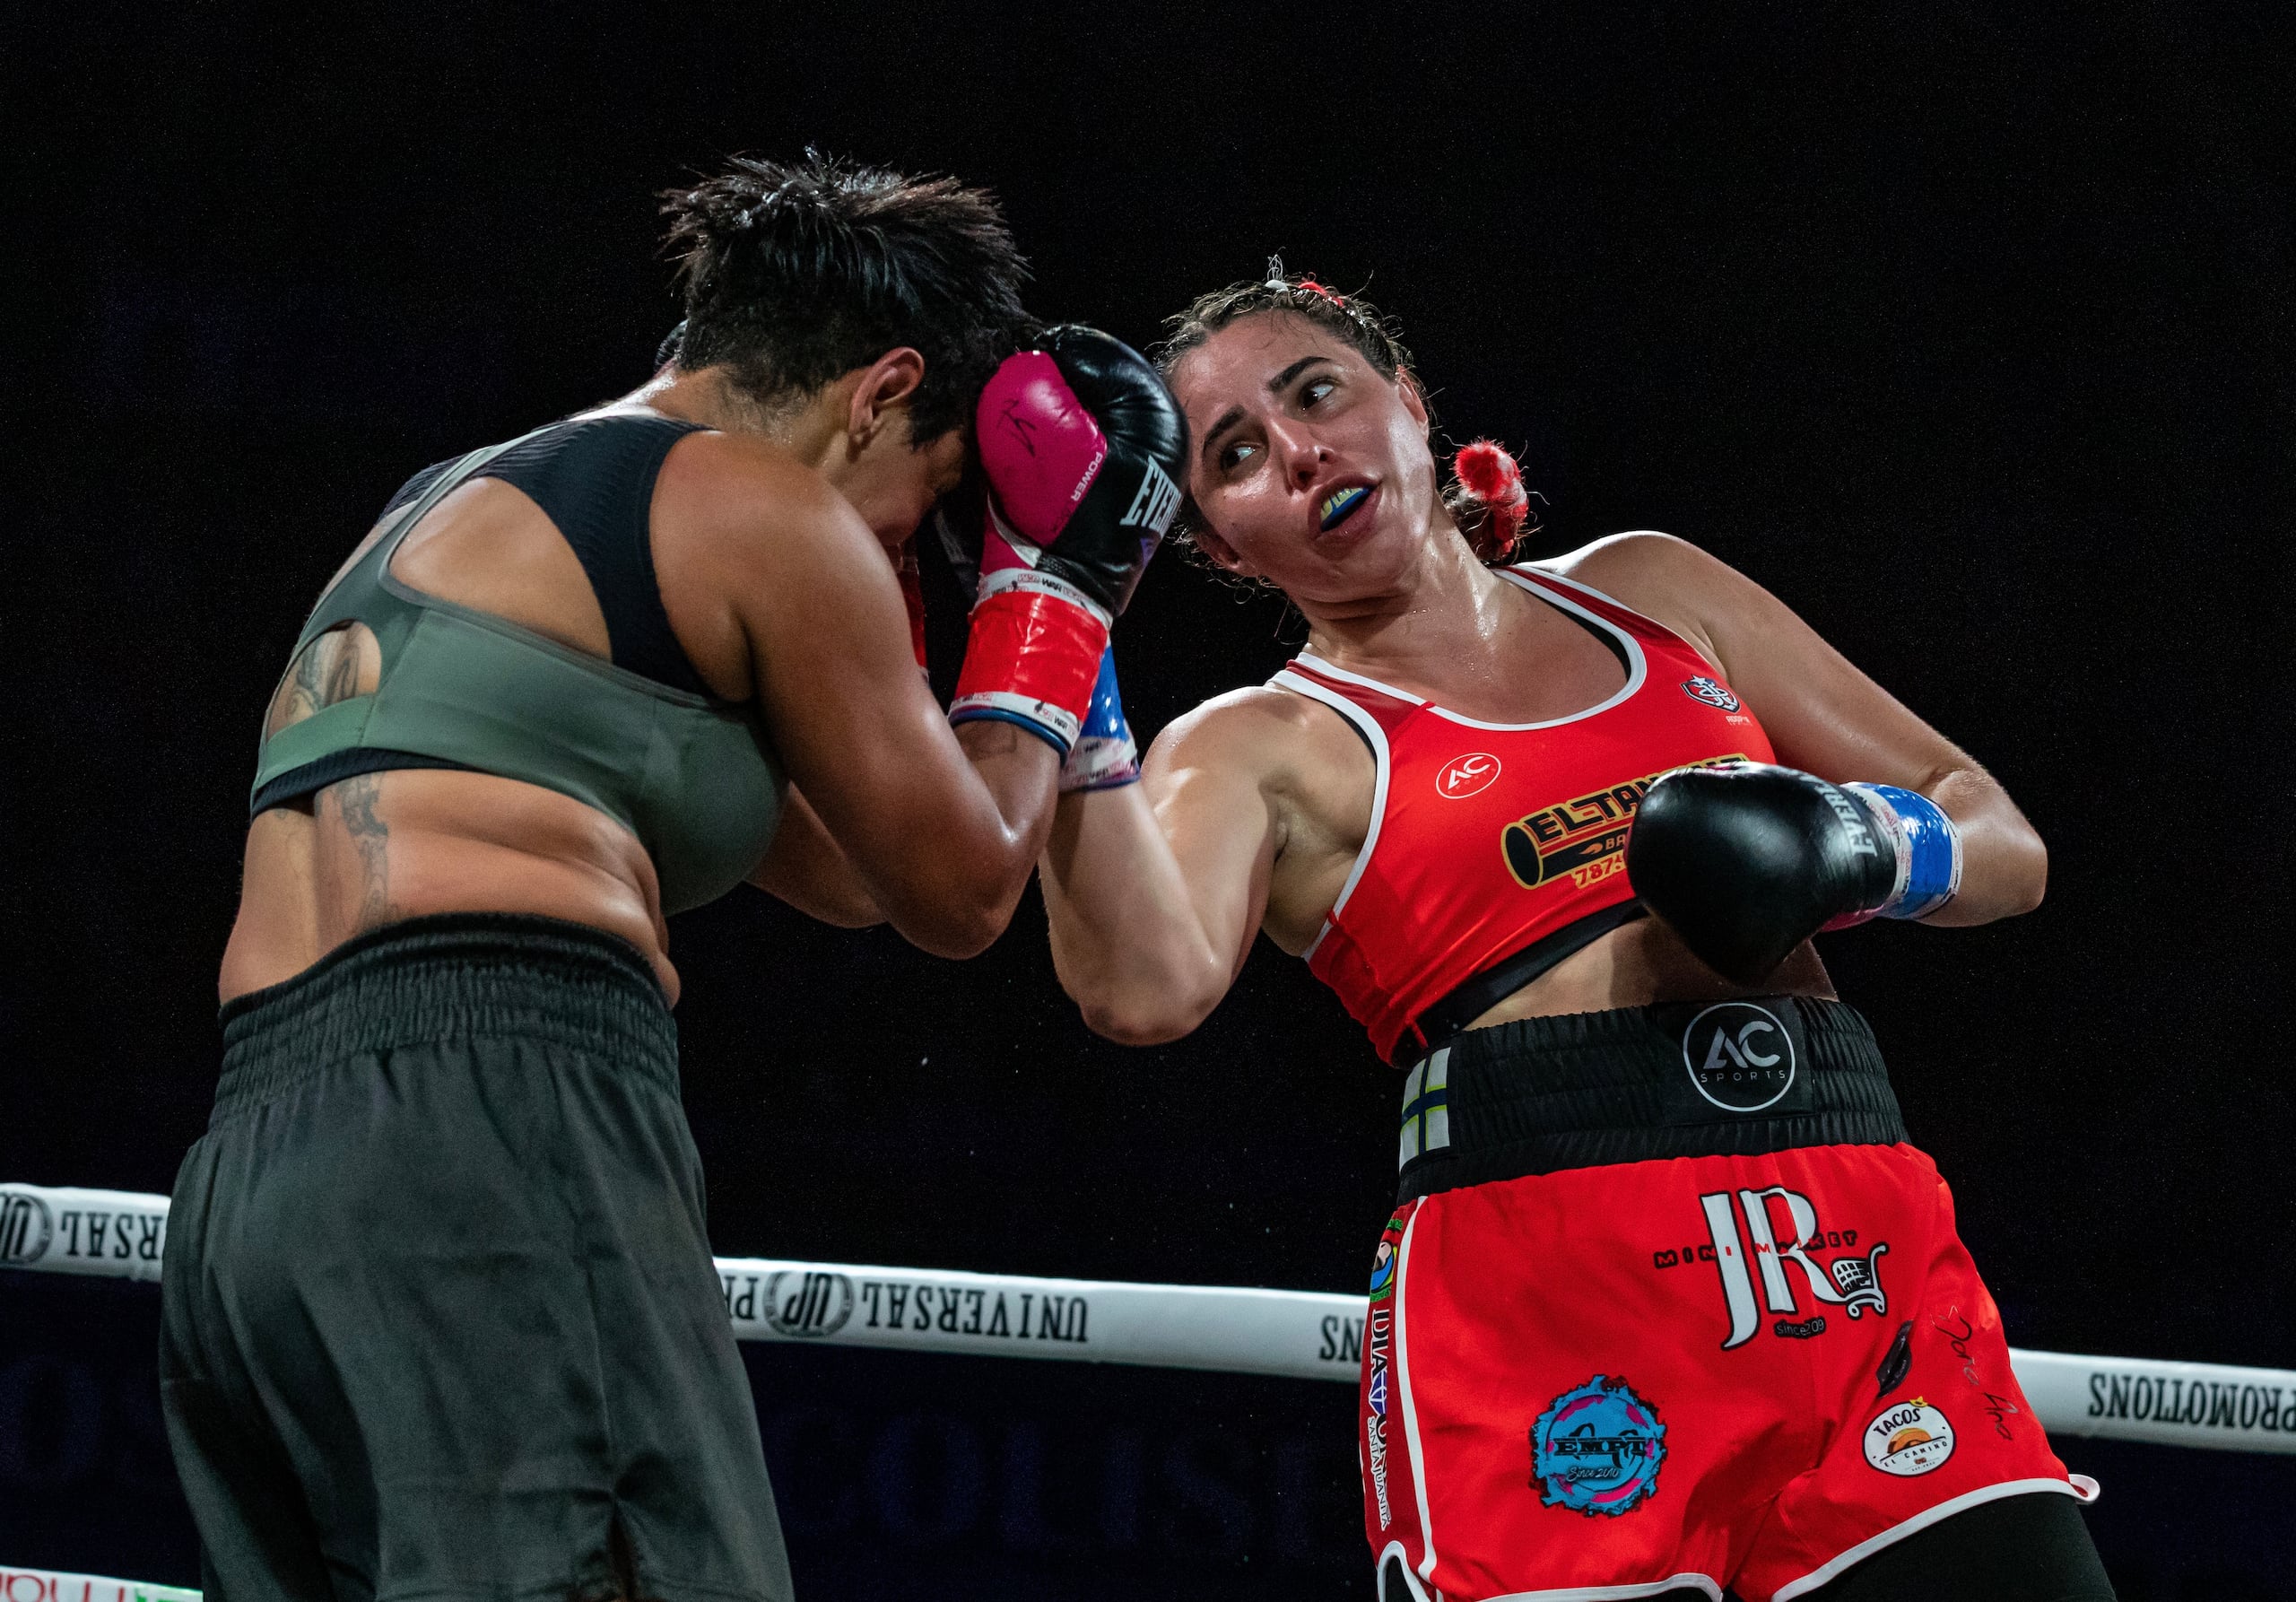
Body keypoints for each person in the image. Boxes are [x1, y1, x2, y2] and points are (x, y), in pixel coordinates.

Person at [160, 152, 1184, 1602]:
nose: (906, 543)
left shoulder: (463, 499)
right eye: (930, 498)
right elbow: (963, 892)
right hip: (496, 1127)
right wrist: (1054, 594)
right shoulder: (761, 508)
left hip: (252, 1180)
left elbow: (859, 873)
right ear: (882, 391)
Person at [1037, 270, 2115, 1601]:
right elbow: (1140, 991)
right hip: (1546, 1286)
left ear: (1410, 403)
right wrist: (1064, 624)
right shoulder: (1258, 743)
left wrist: (1865, 844)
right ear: (1224, 547)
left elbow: (2004, 841)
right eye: (1238, 456)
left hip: (1848, 1232)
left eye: (1317, 392)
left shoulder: (1655, 591)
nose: (1301, 450)